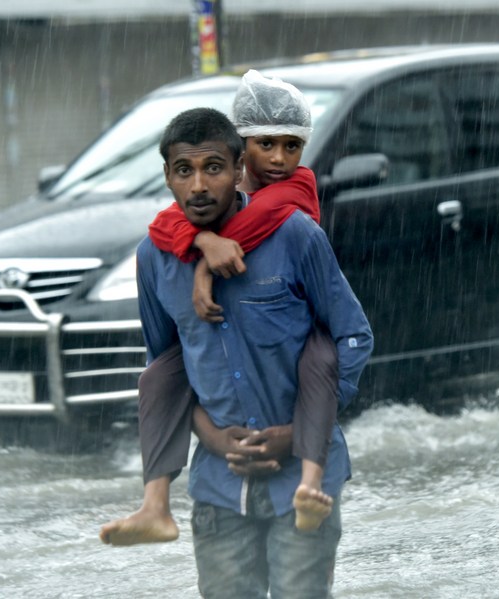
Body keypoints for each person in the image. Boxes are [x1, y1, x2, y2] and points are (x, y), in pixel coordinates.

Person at [99, 71, 343, 547]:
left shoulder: (295, 191)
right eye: (265, 143)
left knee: (323, 358)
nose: (278, 158)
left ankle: (310, 481)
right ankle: (155, 505)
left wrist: (207, 265)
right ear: (240, 149)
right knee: (160, 373)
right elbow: (163, 225)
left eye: (292, 145)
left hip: (297, 333)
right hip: (220, 480)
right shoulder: (209, 190)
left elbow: (255, 229)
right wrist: (204, 239)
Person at [137, 106, 372, 597]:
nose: (199, 186)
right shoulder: (154, 257)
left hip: (304, 483)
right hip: (219, 487)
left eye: (213, 168)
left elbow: (352, 337)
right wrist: (213, 437)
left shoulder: (295, 235)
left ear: (240, 168)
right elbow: (169, 368)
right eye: (184, 171)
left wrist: (301, 433)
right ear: (167, 177)